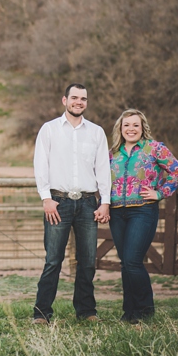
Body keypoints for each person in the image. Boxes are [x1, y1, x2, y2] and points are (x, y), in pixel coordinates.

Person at [32, 83, 111, 324]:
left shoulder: (96, 132)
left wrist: (104, 202)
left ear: (87, 102)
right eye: (74, 98)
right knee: (53, 260)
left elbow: (103, 169)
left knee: (87, 261)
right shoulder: (49, 130)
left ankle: (86, 311)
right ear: (64, 100)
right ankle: (42, 313)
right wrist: (46, 198)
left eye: (83, 99)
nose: (79, 102)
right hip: (58, 202)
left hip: (88, 203)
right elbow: (40, 164)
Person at [108, 109, 178, 324]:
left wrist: (160, 193)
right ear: (120, 129)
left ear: (143, 128)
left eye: (135, 125)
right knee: (126, 263)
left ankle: (144, 310)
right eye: (126, 125)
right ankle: (129, 312)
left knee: (133, 261)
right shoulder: (112, 152)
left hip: (142, 210)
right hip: (116, 213)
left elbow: (177, 171)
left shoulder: (155, 149)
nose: (130, 129)